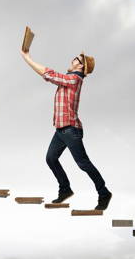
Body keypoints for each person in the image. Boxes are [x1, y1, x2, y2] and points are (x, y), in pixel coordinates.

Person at [20, 49, 112, 210]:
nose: (73, 59)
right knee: (51, 159)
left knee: (83, 163)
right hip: (61, 130)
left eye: (77, 59)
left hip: (71, 130)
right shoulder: (69, 79)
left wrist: (27, 58)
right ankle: (65, 189)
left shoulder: (75, 79)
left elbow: (49, 74)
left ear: (81, 67)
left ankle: (104, 193)